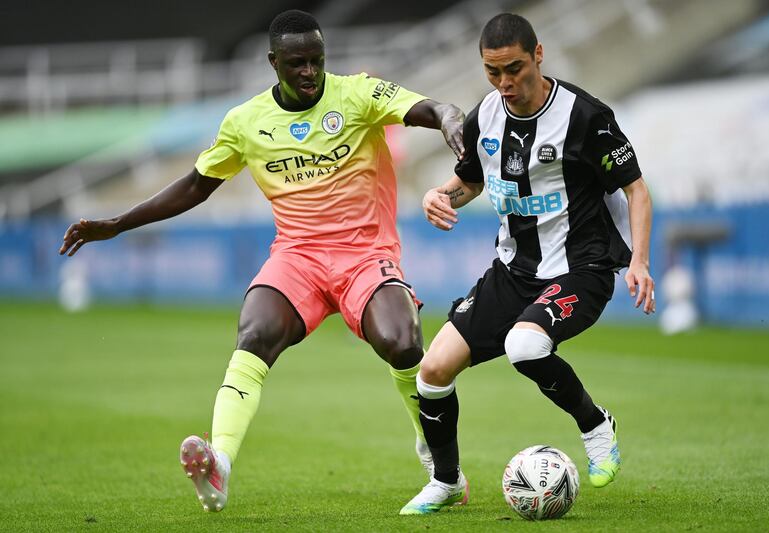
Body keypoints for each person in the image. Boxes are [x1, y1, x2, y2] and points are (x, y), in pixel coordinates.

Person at [58, 9, 465, 513]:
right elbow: (195, 186)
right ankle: (220, 465)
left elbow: (430, 107)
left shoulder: (358, 93)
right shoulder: (246, 122)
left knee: (403, 344)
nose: (310, 72)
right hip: (297, 257)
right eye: (297, 64)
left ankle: (436, 459)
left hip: (366, 254)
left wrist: (449, 119)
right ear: (274, 62)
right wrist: (118, 223)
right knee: (253, 336)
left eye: (317, 61)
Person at [399, 13, 654, 515]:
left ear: (538, 54)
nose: (504, 83)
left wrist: (640, 261)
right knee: (431, 371)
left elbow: (636, 189)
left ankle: (596, 426)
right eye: (492, 73)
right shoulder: (484, 117)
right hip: (513, 271)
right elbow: (470, 181)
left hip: (581, 268)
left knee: (525, 344)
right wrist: (440, 195)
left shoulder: (586, 116)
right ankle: (447, 481)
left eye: (513, 69)